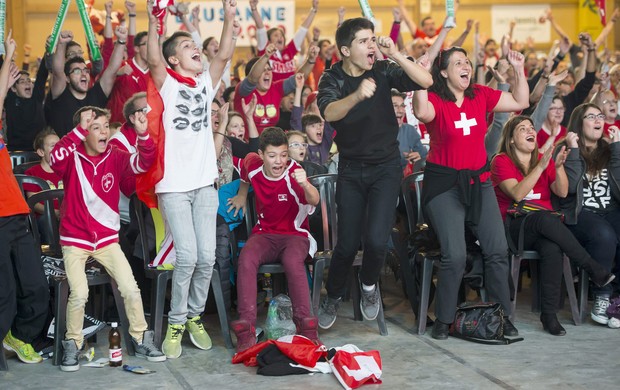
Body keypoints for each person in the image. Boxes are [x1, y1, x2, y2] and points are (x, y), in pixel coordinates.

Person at [316, 17, 432, 329]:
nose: (371, 45)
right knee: (347, 244)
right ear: (345, 50)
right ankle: (334, 295)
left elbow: (425, 81)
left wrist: (395, 54)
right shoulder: (332, 78)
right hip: (352, 169)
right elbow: (328, 112)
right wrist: (356, 96)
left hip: (386, 168)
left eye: (372, 39)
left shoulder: (381, 69)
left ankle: (369, 286)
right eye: (364, 41)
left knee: (378, 240)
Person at [412, 47, 530, 340]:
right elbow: (419, 111)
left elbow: (521, 100)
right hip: (444, 186)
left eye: (467, 62)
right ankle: (444, 319)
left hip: (480, 183)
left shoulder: (480, 94)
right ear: (443, 72)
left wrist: (519, 69)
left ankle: (502, 317)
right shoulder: (436, 99)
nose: (466, 66)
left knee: (497, 250)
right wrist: (418, 77)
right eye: (458, 63)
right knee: (455, 254)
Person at [145, 0, 238, 359]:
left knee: (208, 256)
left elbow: (225, 55)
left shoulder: (203, 83)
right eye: (186, 47)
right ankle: (176, 321)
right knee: (186, 257)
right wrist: (158, 20)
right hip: (172, 186)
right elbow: (153, 57)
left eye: (194, 45)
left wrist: (230, 17)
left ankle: (195, 316)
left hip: (204, 184)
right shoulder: (166, 82)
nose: (195, 49)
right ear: (173, 61)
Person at [50, 106, 164, 371]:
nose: (104, 132)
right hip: (74, 240)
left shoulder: (116, 155)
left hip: (106, 239)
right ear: (83, 133)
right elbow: (55, 159)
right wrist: (77, 129)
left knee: (130, 287)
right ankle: (73, 344)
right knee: (79, 293)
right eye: (95, 127)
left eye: (105, 126)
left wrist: (144, 135)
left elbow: (143, 163)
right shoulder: (72, 157)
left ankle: (141, 337)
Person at [491, 115, 614, 336]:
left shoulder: (542, 159)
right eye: (522, 129)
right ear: (510, 139)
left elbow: (563, 191)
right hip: (514, 227)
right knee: (545, 218)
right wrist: (541, 166)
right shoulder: (501, 161)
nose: (530, 131)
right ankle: (592, 268)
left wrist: (557, 168)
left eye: (531, 127)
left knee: (552, 247)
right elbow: (517, 194)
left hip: (543, 226)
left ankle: (549, 315)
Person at [228, 127, 320, 352]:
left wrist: (305, 184)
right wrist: (242, 193)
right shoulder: (253, 165)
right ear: (262, 155)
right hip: (264, 233)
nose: (279, 161)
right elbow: (245, 169)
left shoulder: (294, 172)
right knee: (246, 258)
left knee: (292, 261)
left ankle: (306, 326)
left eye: (283, 155)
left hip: (294, 234)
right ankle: (246, 327)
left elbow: (315, 200)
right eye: (272, 155)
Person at [0, 32, 50, 365]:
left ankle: (19, 336)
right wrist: (9, 56)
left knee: (37, 287)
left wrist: (10, 56)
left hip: (17, 214)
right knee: (4, 295)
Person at [562, 103, 620, 326]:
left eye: (600, 116)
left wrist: (617, 149)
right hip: (581, 213)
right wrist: (574, 149)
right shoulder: (565, 149)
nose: (598, 120)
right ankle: (602, 296)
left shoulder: (611, 149)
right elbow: (571, 188)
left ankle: (617, 298)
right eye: (591, 116)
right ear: (579, 122)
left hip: (611, 210)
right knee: (604, 235)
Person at [48, 26, 128, 137]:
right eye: (76, 71)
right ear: (67, 78)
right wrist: (61, 44)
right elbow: (57, 71)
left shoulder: (96, 94)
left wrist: (121, 41)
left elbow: (112, 71)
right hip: (69, 152)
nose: (83, 74)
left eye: (85, 70)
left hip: (93, 153)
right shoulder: (61, 94)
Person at [233, 43, 318, 135]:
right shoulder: (244, 90)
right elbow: (252, 78)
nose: (267, 73)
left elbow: (299, 77)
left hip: (268, 145)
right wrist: (266, 56)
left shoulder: (276, 88)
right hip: (246, 145)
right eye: (262, 70)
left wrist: (311, 60)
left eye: (269, 69)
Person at [250, 0, 319, 81]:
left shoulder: (290, 50)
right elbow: (260, 28)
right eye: (276, 35)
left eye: (282, 35)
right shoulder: (264, 50)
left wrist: (314, 10)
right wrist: (254, 8)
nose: (280, 37)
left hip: (290, 91)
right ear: (268, 40)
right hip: (272, 91)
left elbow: (302, 30)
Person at [4, 63, 48, 151]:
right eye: (22, 82)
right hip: (15, 153)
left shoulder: (37, 98)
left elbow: (42, 75)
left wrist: (48, 53)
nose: (27, 83)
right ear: (13, 88)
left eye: (29, 81)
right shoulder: (10, 101)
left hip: (38, 152)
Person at [391, 89, 427, 170]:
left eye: (403, 106)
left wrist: (419, 159)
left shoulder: (409, 131)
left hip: (403, 180)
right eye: (395, 106)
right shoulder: (373, 131)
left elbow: (425, 159)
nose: (401, 110)